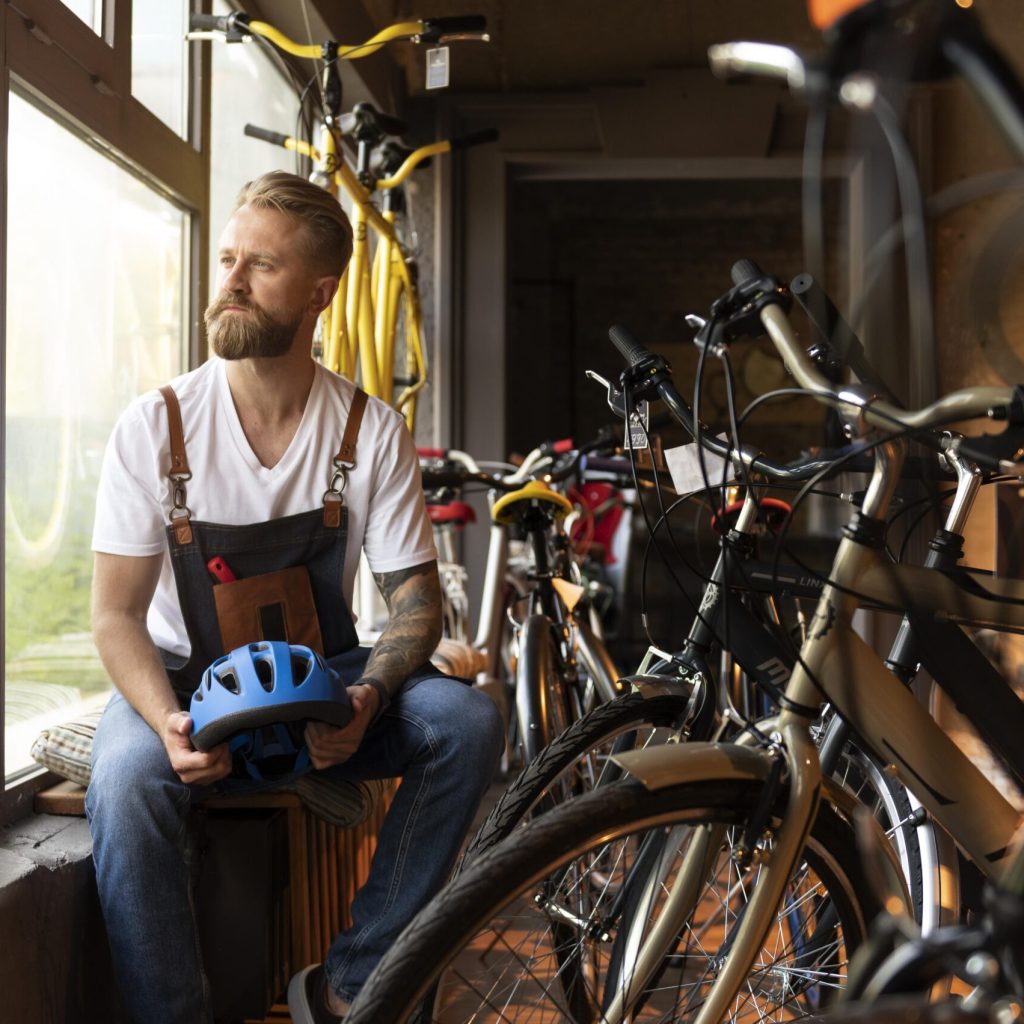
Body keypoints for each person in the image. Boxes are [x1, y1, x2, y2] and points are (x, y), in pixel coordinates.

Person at [85, 170, 503, 1024]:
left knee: (467, 723)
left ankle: (354, 980)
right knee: (126, 778)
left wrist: (367, 696)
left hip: (323, 685)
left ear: (321, 291)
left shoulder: (366, 429)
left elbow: (415, 602)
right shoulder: (155, 427)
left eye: (260, 266)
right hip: (184, 687)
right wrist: (166, 720)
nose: (231, 280)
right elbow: (115, 615)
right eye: (228, 258)